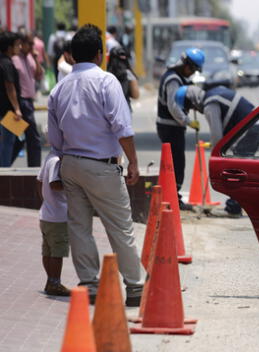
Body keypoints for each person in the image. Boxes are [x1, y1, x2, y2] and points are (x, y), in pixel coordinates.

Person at [47, 24, 144, 306]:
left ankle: (89, 284)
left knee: (79, 227)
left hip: (71, 164)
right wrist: (134, 163)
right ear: (100, 54)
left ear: (72, 56)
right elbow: (123, 128)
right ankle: (135, 287)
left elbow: (54, 138)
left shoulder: (59, 88)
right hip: (102, 166)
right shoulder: (107, 82)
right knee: (120, 226)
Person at [174, 84, 259, 217]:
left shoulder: (210, 104)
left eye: (190, 107)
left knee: (236, 170)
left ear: (192, 101)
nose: (194, 110)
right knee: (240, 168)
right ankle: (237, 206)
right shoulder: (213, 94)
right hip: (252, 127)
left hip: (248, 130)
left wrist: (215, 154)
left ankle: (234, 207)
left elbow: (217, 136)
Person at [156, 48, 204, 211]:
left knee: (176, 162)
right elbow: (173, 105)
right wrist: (187, 121)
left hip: (173, 126)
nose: (192, 73)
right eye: (193, 70)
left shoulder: (179, 77)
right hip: (170, 126)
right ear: (187, 66)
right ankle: (173, 197)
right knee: (176, 163)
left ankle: (172, 196)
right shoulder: (173, 79)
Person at [37, 152, 70, 296]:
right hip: (58, 217)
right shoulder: (58, 161)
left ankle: (51, 281)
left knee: (48, 251)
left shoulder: (50, 157)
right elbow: (55, 184)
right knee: (57, 253)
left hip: (47, 214)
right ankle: (55, 283)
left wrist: (46, 201)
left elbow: (39, 181)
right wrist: (73, 186)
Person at [11, 32, 43, 166]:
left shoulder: (30, 58)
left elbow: (39, 76)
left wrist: (36, 59)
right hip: (21, 101)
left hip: (29, 101)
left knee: (19, 138)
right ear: (21, 44)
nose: (31, 47)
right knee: (33, 137)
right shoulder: (14, 59)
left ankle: (5, 163)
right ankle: (35, 168)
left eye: (32, 44)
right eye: (29, 44)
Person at [0, 31, 23, 167]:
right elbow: (10, 87)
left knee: (15, 141)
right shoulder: (7, 63)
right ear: (9, 48)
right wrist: (17, 108)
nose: (19, 47)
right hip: (9, 112)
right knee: (9, 143)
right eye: (17, 45)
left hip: (5, 110)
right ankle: (4, 172)